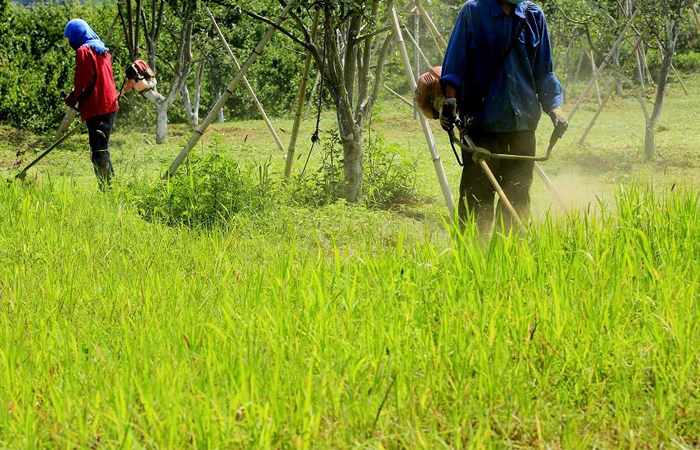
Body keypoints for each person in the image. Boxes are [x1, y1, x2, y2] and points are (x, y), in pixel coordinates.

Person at [440, 0, 568, 234]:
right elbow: (455, 65)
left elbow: (544, 73)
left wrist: (556, 110)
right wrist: (450, 102)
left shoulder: (534, 16)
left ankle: (509, 259)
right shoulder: (473, 13)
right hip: (481, 126)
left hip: (522, 130)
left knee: (517, 201)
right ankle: (471, 260)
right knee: (476, 203)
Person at [63, 19, 119, 190]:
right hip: (110, 105)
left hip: (97, 107)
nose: (70, 42)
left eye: (70, 38)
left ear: (76, 35)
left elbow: (84, 81)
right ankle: (110, 187)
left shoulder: (84, 51)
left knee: (99, 152)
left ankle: (108, 190)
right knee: (102, 148)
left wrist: (73, 98)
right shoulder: (102, 48)